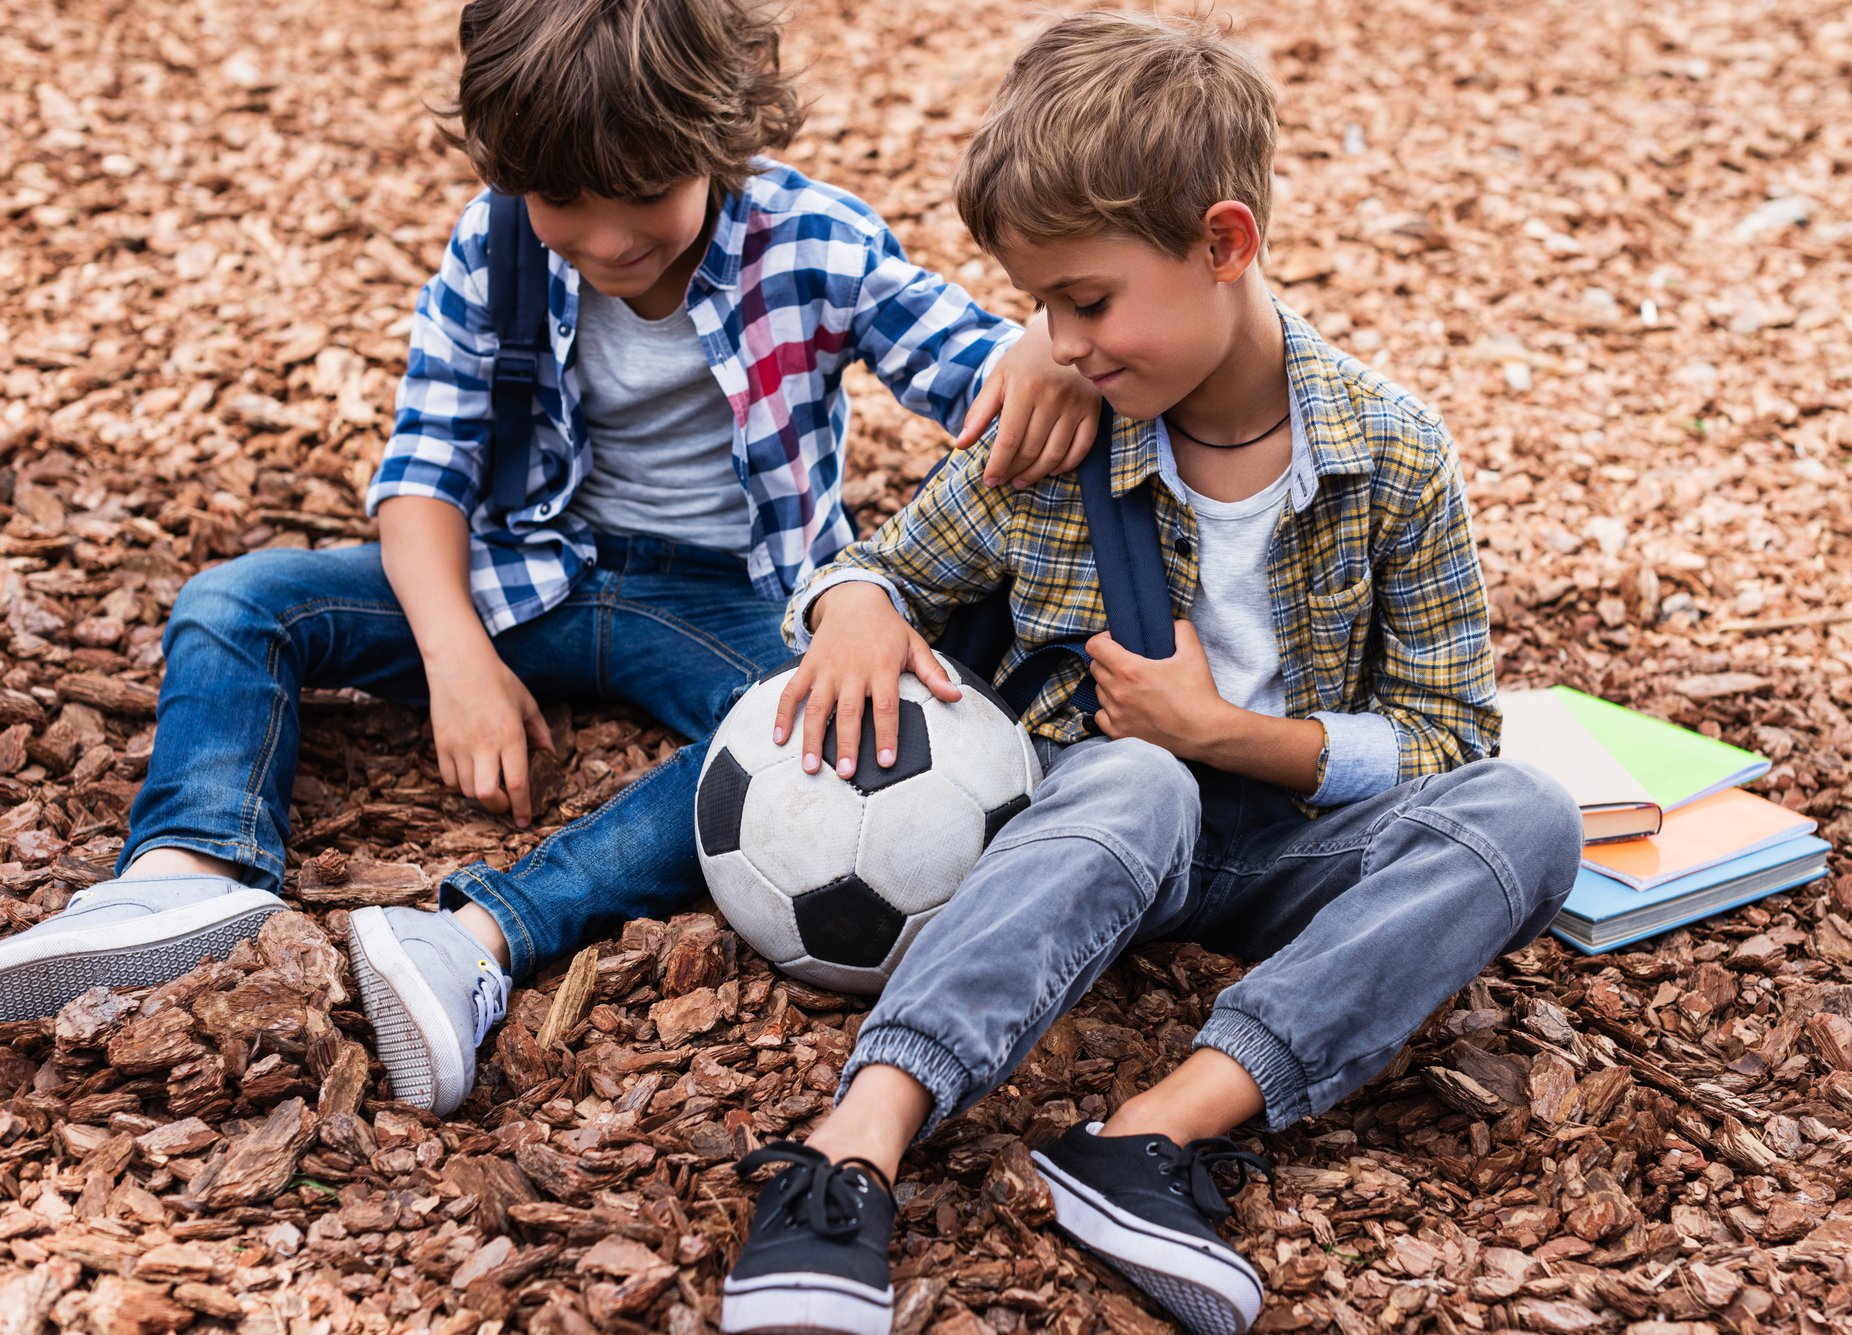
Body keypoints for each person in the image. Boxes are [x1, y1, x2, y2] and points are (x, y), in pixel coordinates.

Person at [0, 0, 1096, 1117]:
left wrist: (1044, 348)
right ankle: (185, 873)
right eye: (568, 200)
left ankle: (475, 939)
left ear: (719, 139)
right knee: (235, 603)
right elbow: (424, 472)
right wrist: (458, 659)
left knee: (793, 750)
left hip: (724, 598)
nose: (612, 238)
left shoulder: (809, 243)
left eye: (647, 196)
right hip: (528, 572)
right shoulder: (501, 244)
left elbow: (985, 370)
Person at [717, 13, 1583, 1335]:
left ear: (1224, 243)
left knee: (1528, 813)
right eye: (1039, 304)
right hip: (1106, 835)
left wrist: (1231, 732)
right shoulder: (1064, 431)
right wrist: (848, 606)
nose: (1057, 340)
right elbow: (885, 564)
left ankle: (1153, 1135)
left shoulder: (1393, 457)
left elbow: (1448, 739)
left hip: (1305, 853)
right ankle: (853, 1146)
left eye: (1086, 298)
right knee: (1136, 776)